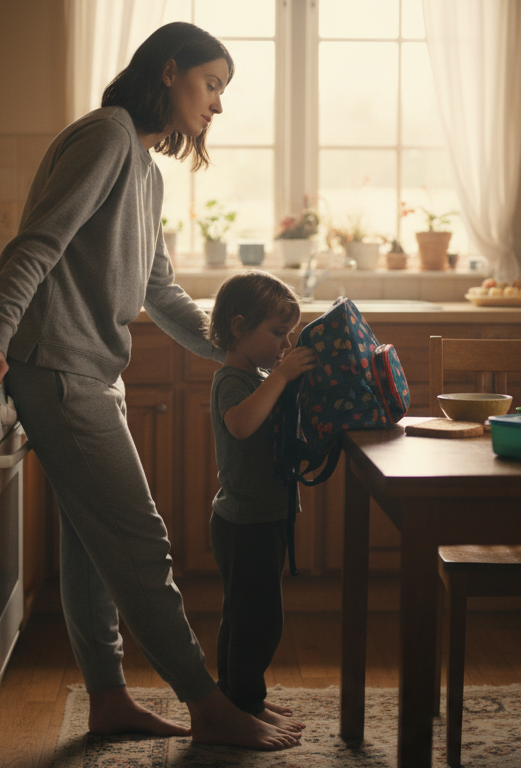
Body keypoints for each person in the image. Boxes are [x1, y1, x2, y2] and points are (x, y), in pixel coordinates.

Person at [0, 22, 299, 750]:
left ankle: (107, 699)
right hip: (58, 370)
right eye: (212, 84)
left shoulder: (144, 168)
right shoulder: (107, 136)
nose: (218, 105)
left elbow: (156, 287)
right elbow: (37, 243)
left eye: (223, 90)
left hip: (88, 372)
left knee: (91, 547)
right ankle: (207, 703)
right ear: (168, 73)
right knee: (141, 545)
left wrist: (228, 348)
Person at [206, 271, 316, 731]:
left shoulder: (259, 376)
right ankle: (243, 706)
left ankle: (240, 700)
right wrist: (282, 376)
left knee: (243, 618)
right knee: (259, 623)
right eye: (276, 333)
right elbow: (241, 424)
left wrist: (285, 378)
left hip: (262, 517)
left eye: (288, 334)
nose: (283, 344)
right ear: (238, 327)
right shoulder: (234, 379)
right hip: (245, 522)